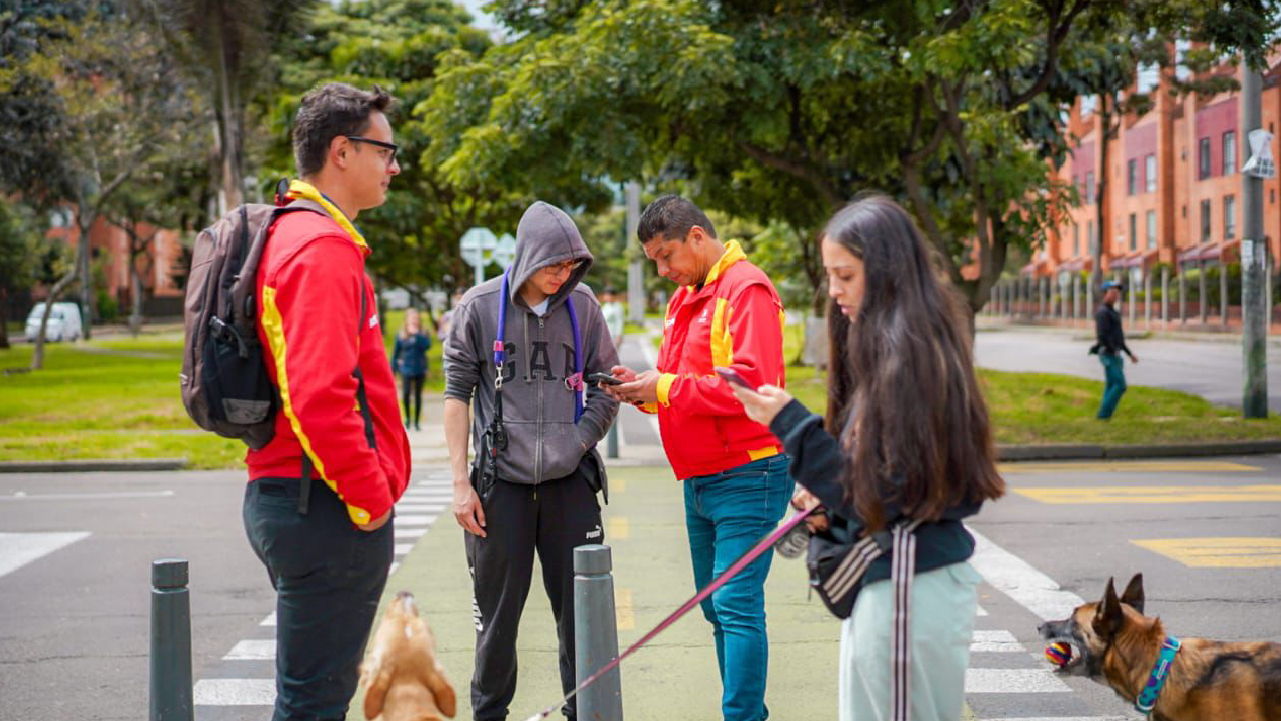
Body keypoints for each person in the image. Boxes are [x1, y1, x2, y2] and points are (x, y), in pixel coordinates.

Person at [729, 194, 1005, 721]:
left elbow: (885, 494)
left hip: (906, 582)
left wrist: (794, 427)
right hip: (898, 580)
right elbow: (881, 484)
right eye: (831, 275)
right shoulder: (905, 347)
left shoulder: (911, 356)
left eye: (846, 276)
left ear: (886, 271)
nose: (834, 292)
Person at [243, 82, 411, 721]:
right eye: (384, 151)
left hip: (297, 495)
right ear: (342, 151)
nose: (393, 167)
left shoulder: (292, 231)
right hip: (326, 506)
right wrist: (369, 499)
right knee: (313, 706)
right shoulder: (322, 248)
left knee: (309, 698)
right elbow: (319, 395)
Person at [606, 194, 792, 721]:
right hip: (703, 478)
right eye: (654, 262)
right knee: (716, 606)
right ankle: (746, 711)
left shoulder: (745, 289)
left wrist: (662, 386)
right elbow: (682, 383)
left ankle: (742, 717)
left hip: (748, 472)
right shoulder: (688, 295)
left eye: (666, 256)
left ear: (696, 236)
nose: (663, 270)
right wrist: (645, 392)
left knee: (734, 604)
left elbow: (752, 385)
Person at [443, 201, 620, 721]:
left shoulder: (582, 306)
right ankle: (490, 713)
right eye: (552, 266)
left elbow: (606, 387)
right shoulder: (477, 307)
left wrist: (579, 441)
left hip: (570, 485)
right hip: (501, 486)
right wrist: (461, 483)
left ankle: (586, 713)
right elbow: (457, 395)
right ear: (525, 258)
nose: (561, 277)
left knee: (582, 619)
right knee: (496, 623)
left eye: (570, 267)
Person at [1089, 279, 1138, 419]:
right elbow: (1102, 336)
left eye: (1117, 292)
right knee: (1120, 385)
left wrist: (1129, 354)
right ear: (1105, 294)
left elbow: (1119, 337)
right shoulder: (1102, 312)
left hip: (1116, 354)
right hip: (1108, 354)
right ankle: (1103, 415)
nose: (1116, 295)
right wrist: (1113, 349)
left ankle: (1104, 417)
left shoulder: (1114, 313)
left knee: (1111, 385)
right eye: (1112, 292)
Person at [392, 307, 432, 430]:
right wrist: (393, 369)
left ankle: (416, 422)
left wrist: (417, 335)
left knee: (418, 395)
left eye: (416, 318)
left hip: (420, 367)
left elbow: (427, 346)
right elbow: (396, 353)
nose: (414, 320)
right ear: (407, 320)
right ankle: (408, 419)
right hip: (406, 368)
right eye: (412, 318)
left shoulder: (423, 333)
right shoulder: (401, 334)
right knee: (406, 394)